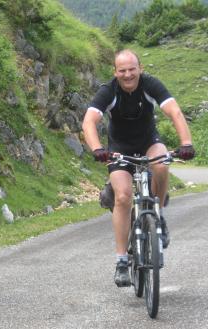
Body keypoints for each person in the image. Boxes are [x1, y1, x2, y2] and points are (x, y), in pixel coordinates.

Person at [82, 49, 195, 287]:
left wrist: (186, 143)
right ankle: (122, 261)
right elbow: (89, 121)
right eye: (122, 70)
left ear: (140, 68)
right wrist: (96, 149)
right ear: (115, 72)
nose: (127, 74)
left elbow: (174, 111)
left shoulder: (150, 85)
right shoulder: (109, 91)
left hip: (148, 142)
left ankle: (159, 215)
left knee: (162, 164)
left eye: (132, 69)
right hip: (119, 147)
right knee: (122, 197)